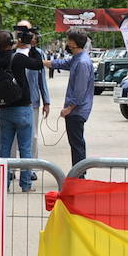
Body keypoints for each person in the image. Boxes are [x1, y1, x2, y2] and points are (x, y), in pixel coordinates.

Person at [0, 29, 44, 192]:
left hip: (4, 109)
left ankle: (3, 184)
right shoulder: (18, 58)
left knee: (4, 148)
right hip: (22, 108)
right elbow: (37, 64)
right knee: (25, 148)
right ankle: (26, 184)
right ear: (11, 42)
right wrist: (30, 46)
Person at [45, 30, 94, 166]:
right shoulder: (76, 59)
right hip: (75, 110)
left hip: (77, 111)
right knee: (75, 143)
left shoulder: (83, 62)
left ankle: (79, 176)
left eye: (68, 40)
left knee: (77, 144)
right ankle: (78, 173)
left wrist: (69, 108)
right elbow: (62, 63)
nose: (67, 43)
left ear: (73, 43)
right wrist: (44, 62)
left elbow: (80, 90)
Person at [14, 22, 50, 156]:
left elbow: (42, 79)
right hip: (12, 100)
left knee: (33, 135)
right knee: (12, 137)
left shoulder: (38, 54)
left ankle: (32, 166)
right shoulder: (11, 52)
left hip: (32, 100)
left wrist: (46, 101)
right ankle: (10, 168)